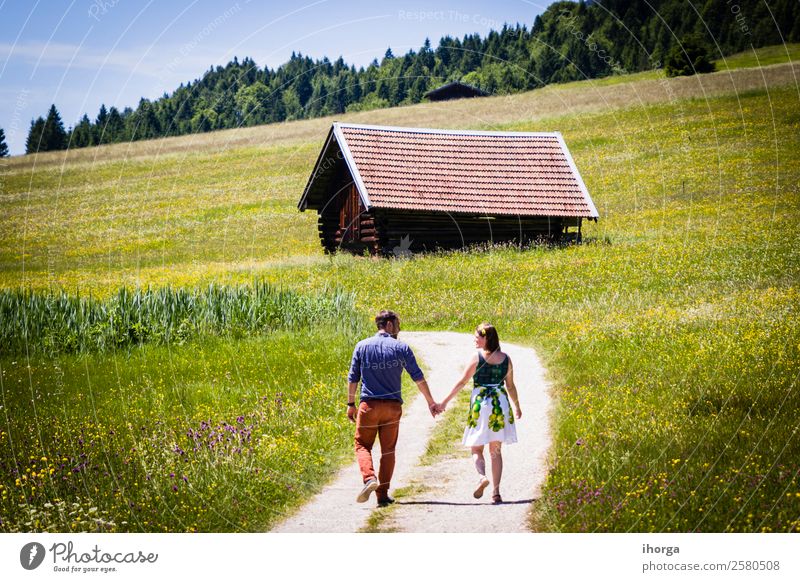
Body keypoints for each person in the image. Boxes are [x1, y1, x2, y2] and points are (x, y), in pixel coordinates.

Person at [347, 310, 440, 507]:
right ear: (389, 325)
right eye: (397, 324)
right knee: (388, 450)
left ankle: (369, 478)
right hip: (392, 407)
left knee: (362, 445)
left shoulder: (362, 346)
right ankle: (382, 495)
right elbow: (418, 377)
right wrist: (430, 401)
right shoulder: (401, 347)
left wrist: (350, 404)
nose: (399, 328)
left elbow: (353, 378)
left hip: (369, 406)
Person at [438, 323, 521, 503]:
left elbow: (461, 382)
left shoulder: (477, 358)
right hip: (500, 404)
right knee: (496, 450)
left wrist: (444, 402)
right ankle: (496, 492)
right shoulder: (506, 358)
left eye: (478, 337)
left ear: (486, 338)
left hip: (481, 404)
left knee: (476, 447)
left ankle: (482, 476)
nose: (475, 339)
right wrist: (517, 406)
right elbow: (511, 386)